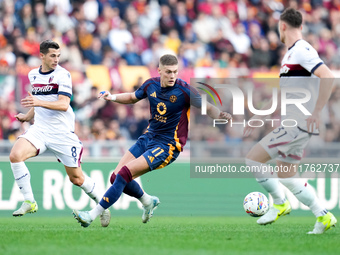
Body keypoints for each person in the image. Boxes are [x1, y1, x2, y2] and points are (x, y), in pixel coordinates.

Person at [72, 54, 232, 227]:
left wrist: (219, 115)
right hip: (148, 137)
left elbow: (206, 106)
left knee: (125, 173)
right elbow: (133, 97)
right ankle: (147, 201)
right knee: (115, 177)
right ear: (160, 71)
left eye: (175, 72)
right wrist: (113, 97)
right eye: (169, 72)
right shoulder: (151, 84)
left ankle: (92, 214)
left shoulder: (184, 90)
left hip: (168, 146)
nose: (172, 76)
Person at [243, 8, 337, 234]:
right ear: (301, 26)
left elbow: (328, 76)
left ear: (282, 26)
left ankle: (279, 203)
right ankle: (323, 216)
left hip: (297, 124)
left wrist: (316, 111)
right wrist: (259, 115)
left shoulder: (303, 50)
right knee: (287, 175)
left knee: (253, 160)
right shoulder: (290, 56)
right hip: (296, 124)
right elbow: (283, 95)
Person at [9, 40, 111, 227]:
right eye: (52, 56)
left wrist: (37, 104)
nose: (56, 59)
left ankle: (102, 205)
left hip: (62, 134)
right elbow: (38, 100)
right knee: (15, 156)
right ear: (42, 56)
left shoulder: (63, 75)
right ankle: (29, 201)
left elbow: (64, 104)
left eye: (58, 56)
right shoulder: (33, 75)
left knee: (77, 178)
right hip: (39, 129)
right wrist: (27, 116)